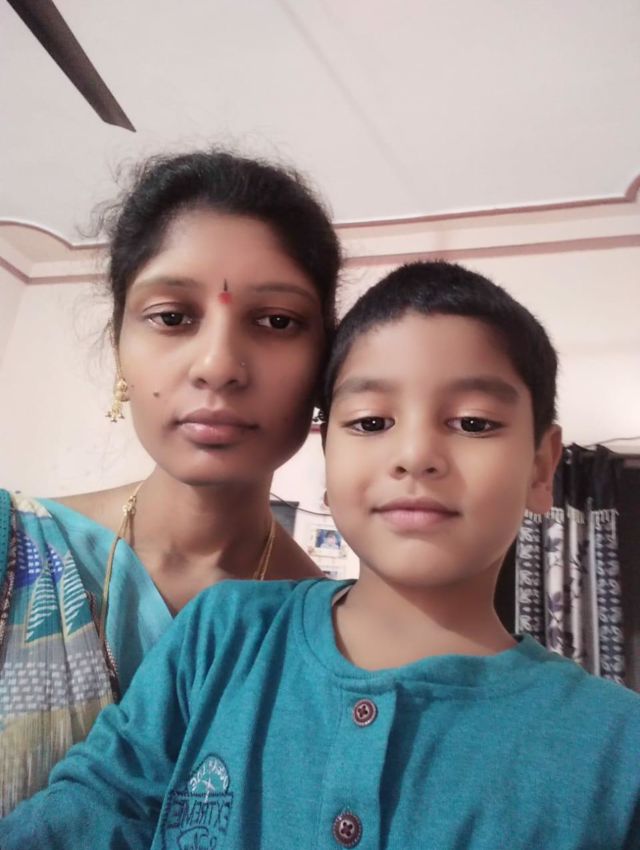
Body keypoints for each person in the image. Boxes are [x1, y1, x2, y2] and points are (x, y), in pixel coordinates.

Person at [2, 260, 639, 849]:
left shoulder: (617, 746)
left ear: (541, 467)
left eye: (473, 422)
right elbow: (96, 807)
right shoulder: (221, 635)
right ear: (328, 458)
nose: (415, 455)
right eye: (371, 422)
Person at [0, 148, 341, 813]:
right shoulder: (14, 551)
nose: (218, 365)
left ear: (326, 363)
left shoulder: (338, 640)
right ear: (120, 344)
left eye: (277, 321)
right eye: (173, 316)